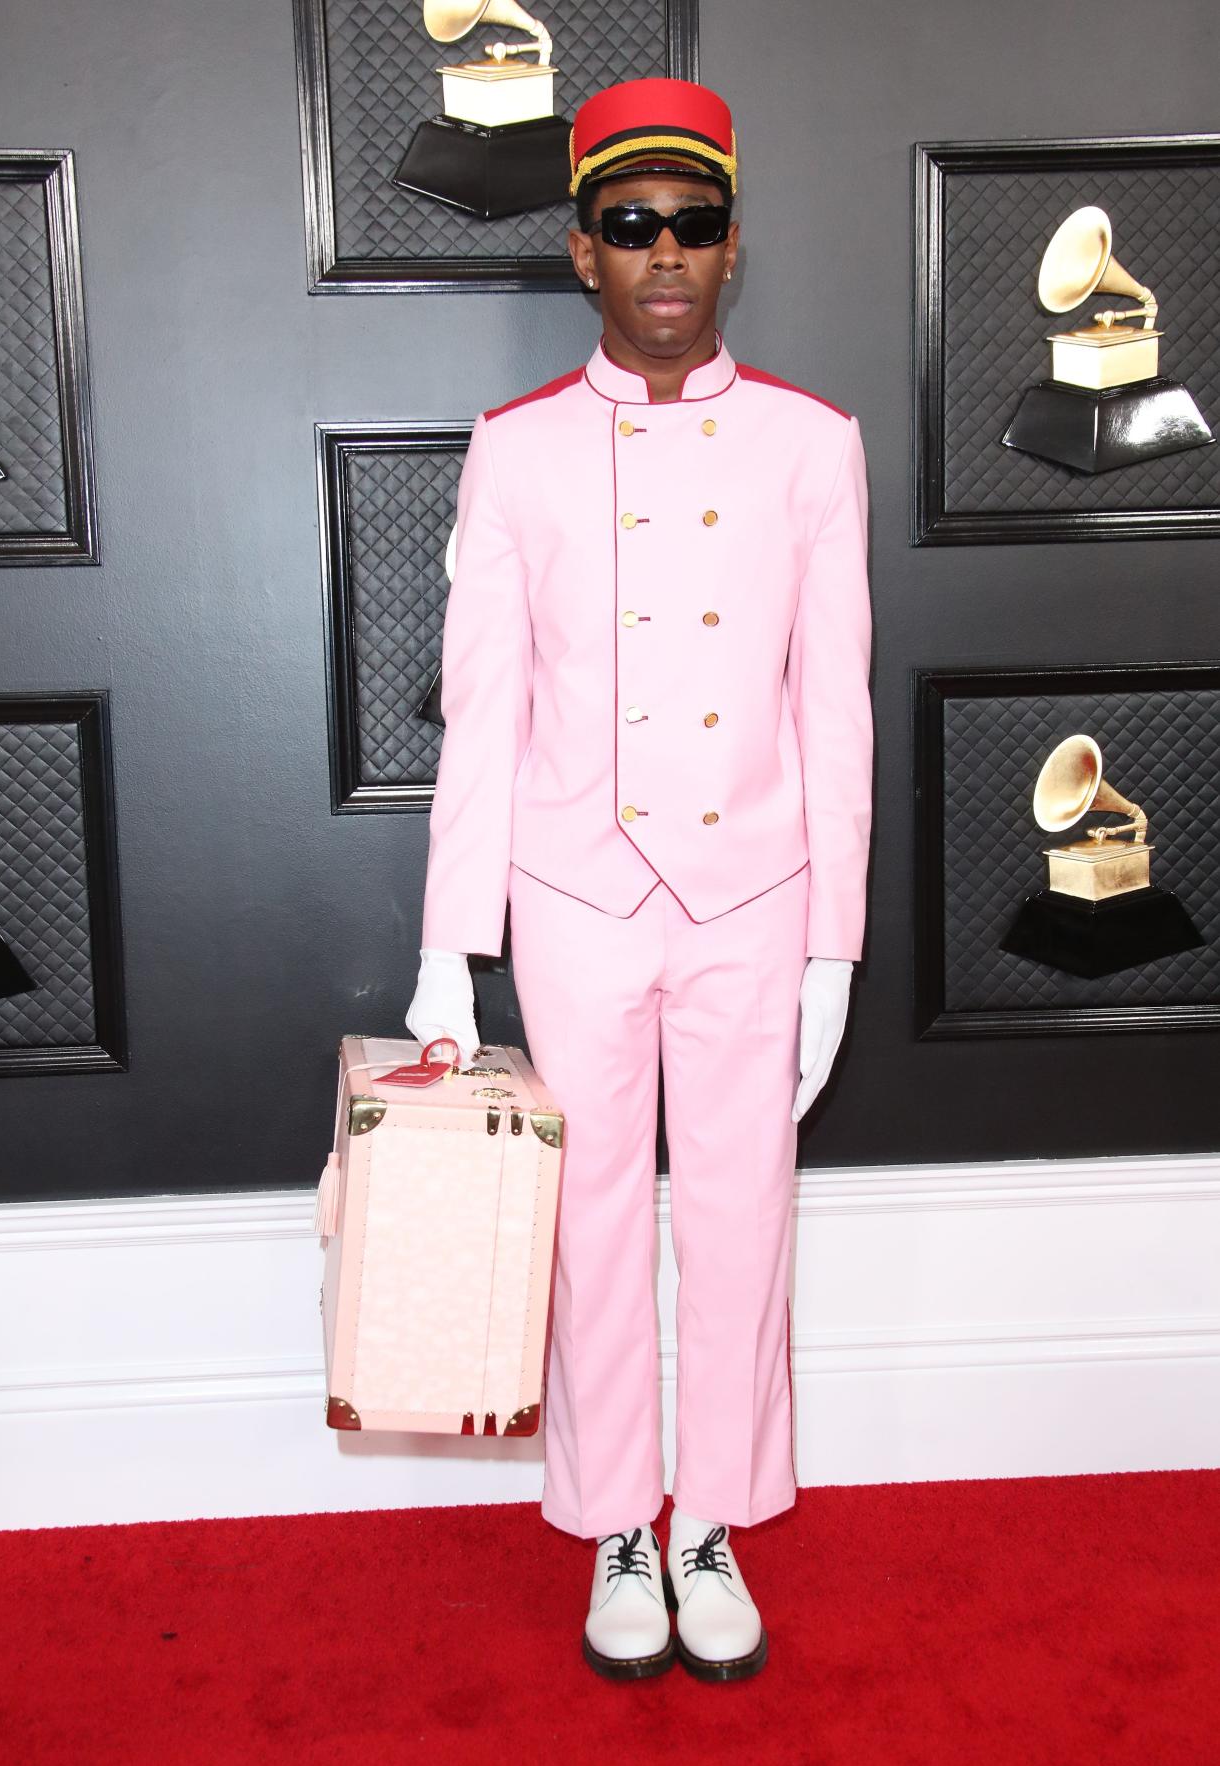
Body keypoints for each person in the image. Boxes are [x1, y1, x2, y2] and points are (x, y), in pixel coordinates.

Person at [406, 75, 873, 1683]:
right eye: (628, 224)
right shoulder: (513, 452)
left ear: (731, 246)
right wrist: (446, 952)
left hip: (756, 900)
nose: (661, 253)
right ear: (581, 247)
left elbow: (838, 708)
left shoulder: (816, 448)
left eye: (691, 224)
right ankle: (614, 1519)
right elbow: (481, 715)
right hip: (573, 904)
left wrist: (833, 949)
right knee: (591, 1223)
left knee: (744, 1218)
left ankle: (712, 1521)